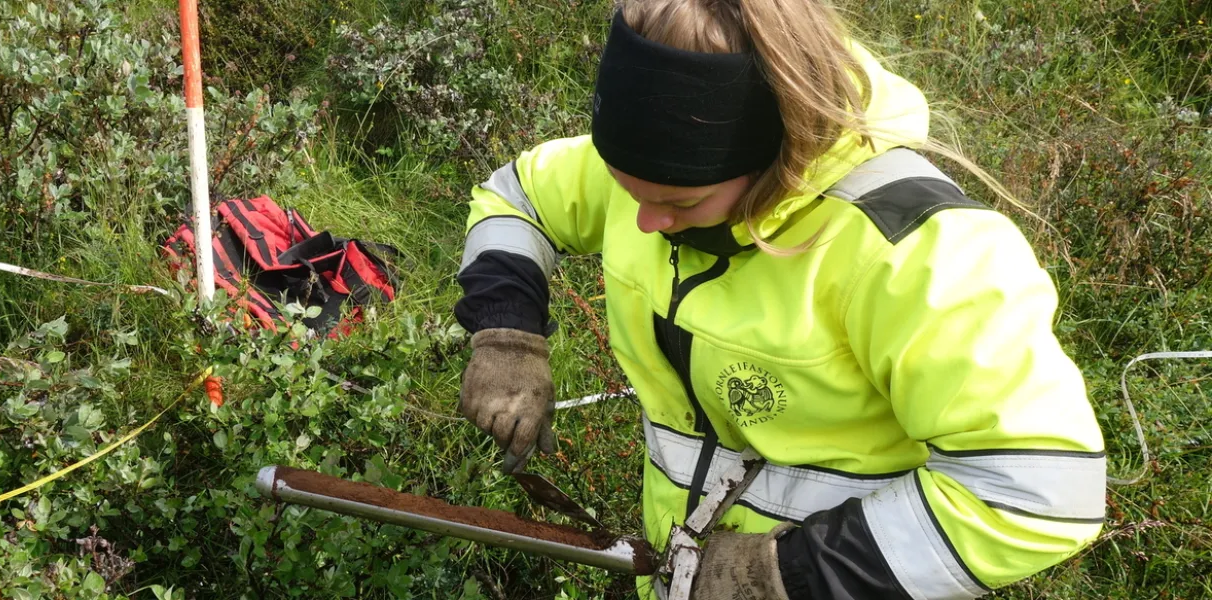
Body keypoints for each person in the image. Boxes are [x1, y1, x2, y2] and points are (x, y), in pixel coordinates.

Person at [452, 0, 1108, 598]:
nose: (644, 223)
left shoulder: (918, 252)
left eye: (679, 203)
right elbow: (517, 198)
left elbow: (1039, 492)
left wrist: (785, 578)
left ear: (781, 156)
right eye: (628, 191)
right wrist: (507, 335)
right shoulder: (651, 170)